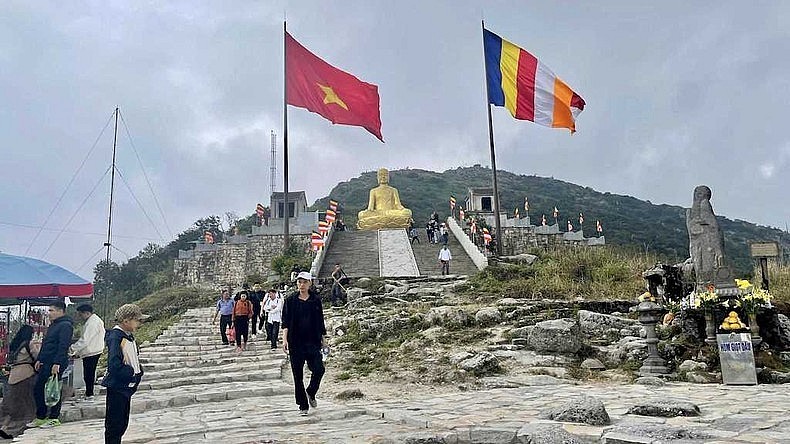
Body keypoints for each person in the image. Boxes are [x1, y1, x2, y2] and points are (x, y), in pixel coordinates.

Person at [281, 272, 326, 416]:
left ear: (310, 283)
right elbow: (285, 322)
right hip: (295, 342)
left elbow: (320, 321)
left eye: (305, 282)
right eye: (299, 282)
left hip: (313, 341)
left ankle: (311, 391)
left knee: (319, 369)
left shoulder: (315, 300)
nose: (302, 285)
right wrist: (284, 339)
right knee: (297, 375)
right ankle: (302, 405)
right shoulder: (290, 300)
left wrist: (324, 339)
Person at [102, 304, 146, 444]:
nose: (139, 323)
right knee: (115, 425)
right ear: (126, 321)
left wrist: (139, 371)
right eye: (137, 320)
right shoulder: (116, 338)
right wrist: (131, 372)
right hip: (118, 387)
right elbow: (114, 364)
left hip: (126, 387)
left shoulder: (127, 336)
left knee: (122, 423)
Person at [27, 301, 73, 429]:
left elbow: (63, 346)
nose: (49, 313)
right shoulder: (54, 325)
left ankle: (54, 417)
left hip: (55, 363)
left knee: (53, 389)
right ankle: (41, 416)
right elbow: (47, 344)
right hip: (45, 362)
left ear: (60, 311)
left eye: (52, 310)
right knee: (39, 388)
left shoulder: (65, 326)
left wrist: (57, 363)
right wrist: (39, 359)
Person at [0, 325, 39, 438]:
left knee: (12, 406)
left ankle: (4, 427)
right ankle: (13, 430)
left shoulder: (14, 344)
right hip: (25, 375)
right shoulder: (28, 344)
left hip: (13, 376)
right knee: (24, 407)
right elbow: (36, 356)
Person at [69, 304, 105, 401]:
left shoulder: (92, 323)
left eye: (81, 315)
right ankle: (89, 393)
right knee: (89, 373)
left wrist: (72, 348)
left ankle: (90, 394)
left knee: (88, 374)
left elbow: (85, 340)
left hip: (92, 351)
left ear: (87, 313)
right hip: (93, 350)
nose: (80, 317)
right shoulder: (94, 320)